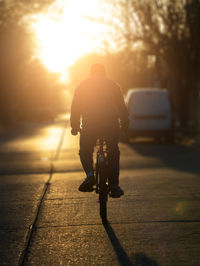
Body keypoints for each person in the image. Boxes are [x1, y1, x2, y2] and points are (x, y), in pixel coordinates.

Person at [70, 63, 129, 197]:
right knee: (113, 152)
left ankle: (90, 175)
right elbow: (121, 106)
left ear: (91, 73)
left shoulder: (83, 85)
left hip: (90, 125)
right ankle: (114, 185)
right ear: (104, 73)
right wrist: (125, 124)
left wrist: (74, 125)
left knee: (85, 150)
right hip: (110, 125)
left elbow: (75, 107)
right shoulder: (113, 85)